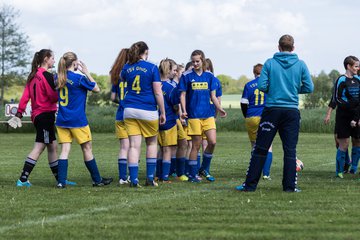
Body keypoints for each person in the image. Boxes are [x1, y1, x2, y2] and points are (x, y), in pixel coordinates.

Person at [236, 34, 314, 192]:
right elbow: (309, 87)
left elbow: (262, 85)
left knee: (261, 148)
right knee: (290, 150)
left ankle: (250, 186)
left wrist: (275, 89)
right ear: (293, 48)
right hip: (291, 112)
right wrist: (293, 89)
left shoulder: (270, 63)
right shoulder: (301, 64)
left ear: (278, 47)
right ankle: (289, 187)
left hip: (271, 110)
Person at [9, 49, 71, 187]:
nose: (54, 61)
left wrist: (19, 113)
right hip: (45, 115)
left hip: (38, 116)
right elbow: (52, 96)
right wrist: (60, 88)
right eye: (52, 58)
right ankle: (23, 179)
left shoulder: (33, 75)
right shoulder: (47, 76)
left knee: (53, 146)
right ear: (46, 59)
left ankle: (60, 179)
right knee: (39, 147)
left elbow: (25, 96)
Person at [55, 52, 113, 188]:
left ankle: (61, 182)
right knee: (87, 149)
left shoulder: (57, 77)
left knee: (64, 150)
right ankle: (97, 180)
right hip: (77, 120)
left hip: (62, 120)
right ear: (74, 63)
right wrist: (86, 72)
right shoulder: (79, 78)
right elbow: (97, 89)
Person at [121, 41, 166, 187]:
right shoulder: (152, 67)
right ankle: (150, 178)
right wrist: (163, 112)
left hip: (129, 109)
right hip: (147, 109)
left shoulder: (126, 67)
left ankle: (133, 179)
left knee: (134, 146)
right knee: (151, 143)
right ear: (145, 52)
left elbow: (122, 80)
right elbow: (158, 92)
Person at [179, 50, 227, 183]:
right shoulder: (186, 76)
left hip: (208, 115)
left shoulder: (210, 76)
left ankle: (204, 168)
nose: (195, 64)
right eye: (193, 61)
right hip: (194, 115)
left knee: (212, 142)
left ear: (203, 61)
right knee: (196, 145)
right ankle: (193, 175)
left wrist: (220, 109)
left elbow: (214, 96)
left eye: (197, 61)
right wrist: (183, 111)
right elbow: (182, 95)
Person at [241, 63, 273, 180]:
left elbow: (244, 103)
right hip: (265, 116)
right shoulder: (269, 84)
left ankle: (254, 172)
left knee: (254, 146)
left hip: (251, 117)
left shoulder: (249, 85)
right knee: (268, 146)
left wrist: (246, 116)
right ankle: (266, 174)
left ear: (254, 72)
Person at [332, 56, 360, 178]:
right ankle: (339, 171)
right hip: (343, 116)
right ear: (348, 66)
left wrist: (357, 116)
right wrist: (350, 107)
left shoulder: (358, 79)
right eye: (356, 66)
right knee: (344, 144)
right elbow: (337, 98)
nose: (358, 68)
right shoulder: (341, 80)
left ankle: (353, 168)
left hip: (357, 115)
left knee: (357, 141)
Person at [157, 58, 180, 182]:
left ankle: (157, 174)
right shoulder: (171, 87)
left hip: (155, 120)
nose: (175, 73)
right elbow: (176, 105)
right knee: (168, 149)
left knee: (160, 149)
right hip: (169, 120)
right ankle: (165, 177)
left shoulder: (155, 84)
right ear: (168, 70)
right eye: (174, 70)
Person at [110, 48, 130, 185]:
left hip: (120, 114)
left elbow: (112, 97)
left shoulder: (116, 74)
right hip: (133, 114)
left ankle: (122, 177)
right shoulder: (132, 73)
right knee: (133, 146)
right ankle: (130, 174)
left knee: (123, 147)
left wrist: (121, 102)